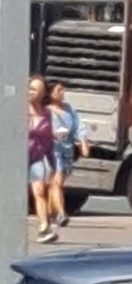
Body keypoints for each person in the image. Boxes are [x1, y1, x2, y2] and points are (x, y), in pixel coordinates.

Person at [47, 81, 89, 227]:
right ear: (50, 93)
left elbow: (78, 126)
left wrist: (83, 143)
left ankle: (52, 214)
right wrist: (51, 134)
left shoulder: (69, 109)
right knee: (56, 181)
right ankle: (60, 213)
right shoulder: (46, 110)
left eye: (62, 90)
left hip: (67, 149)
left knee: (57, 184)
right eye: (58, 90)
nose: (61, 93)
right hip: (52, 148)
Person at [28, 76, 58, 244]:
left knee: (39, 191)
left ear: (43, 93)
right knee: (6, 188)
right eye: (30, 88)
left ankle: (44, 227)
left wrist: (52, 162)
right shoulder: (20, 109)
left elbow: (48, 139)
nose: (32, 92)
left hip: (38, 155)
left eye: (36, 89)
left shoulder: (46, 113)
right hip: (19, 155)